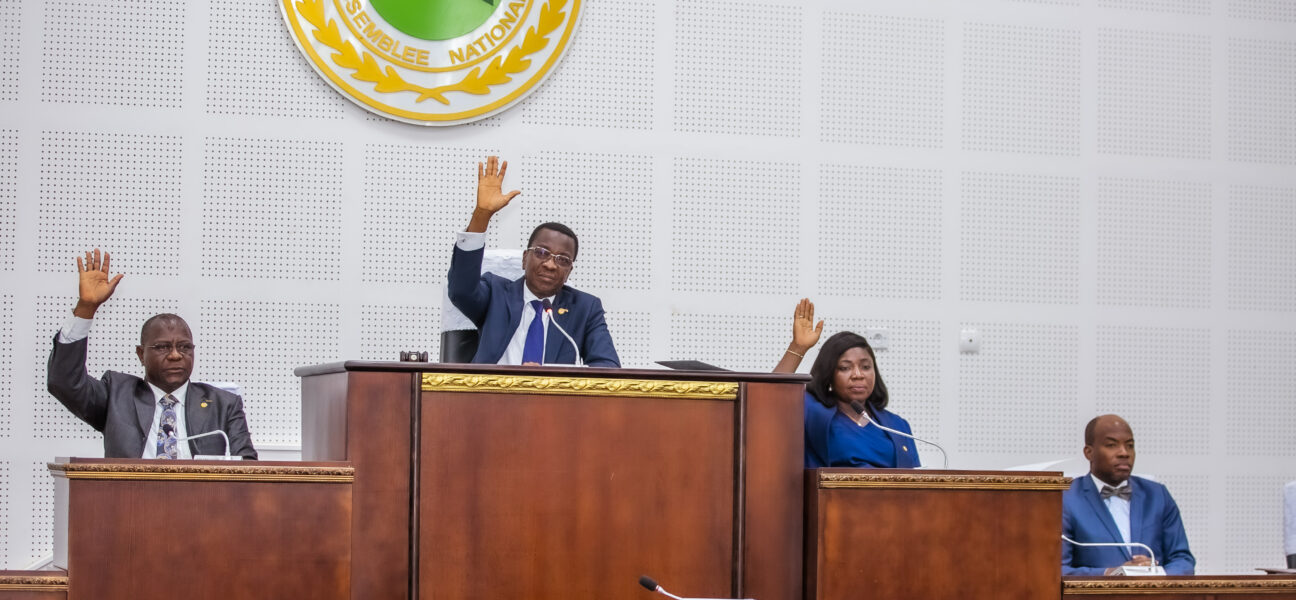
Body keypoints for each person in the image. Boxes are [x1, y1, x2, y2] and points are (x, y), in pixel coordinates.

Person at [46, 249, 257, 459]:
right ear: (141, 354)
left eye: (184, 347)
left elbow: (248, 469)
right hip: (129, 492)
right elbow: (64, 382)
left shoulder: (223, 404)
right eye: (163, 347)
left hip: (201, 493)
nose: (175, 355)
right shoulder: (117, 396)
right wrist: (86, 309)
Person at [447, 156, 619, 367]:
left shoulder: (585, 308)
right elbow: (461, 290)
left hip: (553, 398)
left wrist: (553, 381)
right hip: (491, 396)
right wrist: (481, 216)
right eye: (542, 252)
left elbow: (607, 367)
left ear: (569, 271)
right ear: (525, 258)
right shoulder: (496, 294)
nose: (550, 264)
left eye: (562, 259)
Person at [774, 298, 918, 468]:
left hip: (889, 495)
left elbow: (916, 480)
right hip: (830, 494)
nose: (858, 375)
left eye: (865, 367)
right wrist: (797, 348)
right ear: (829, 373)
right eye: (845, 368)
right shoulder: (810, 410)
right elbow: (771, 398)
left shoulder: (897, 425)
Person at [1062, 414, 1194, 575]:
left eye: (1130, 445)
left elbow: (1183, 560)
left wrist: (1157, 574)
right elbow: (1056, 569)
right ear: (1089, 452)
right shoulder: (1065, 499)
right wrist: (1110, 574)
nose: (1124, 453)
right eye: (1111, 445)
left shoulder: (1157, 495)